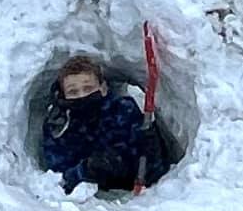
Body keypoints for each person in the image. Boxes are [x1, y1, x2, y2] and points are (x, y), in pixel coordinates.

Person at [40, 55, 170, 193]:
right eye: (73, 91)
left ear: (103, 88)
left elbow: (154, 169)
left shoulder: (124, 111)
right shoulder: (59, 127)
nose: (82, 95)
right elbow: (56, 179)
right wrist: (86, 170)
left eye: (88, 88)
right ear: (63, 96)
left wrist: (152, 149)